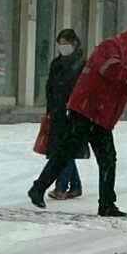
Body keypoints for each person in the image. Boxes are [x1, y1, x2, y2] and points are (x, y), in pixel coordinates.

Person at [28, 25, 127, 217]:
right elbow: (110, 68)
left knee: (106, 158)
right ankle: (39, 188)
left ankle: (106, 204)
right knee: (68, 152)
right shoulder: (110, 47)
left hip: (100, 116)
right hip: (86, 110)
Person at [44, 28, 86, 201]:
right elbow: (50, 87)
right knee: (62, 149)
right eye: (60, 43)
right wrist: (50, 109)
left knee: (64, 150)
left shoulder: (81, 64)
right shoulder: (56, 63)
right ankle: (75, 186)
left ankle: (61, 187)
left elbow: (83, 89)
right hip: (57, 112)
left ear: (74, 43)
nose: (63, 46)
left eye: (66, 43)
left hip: (73, 113)